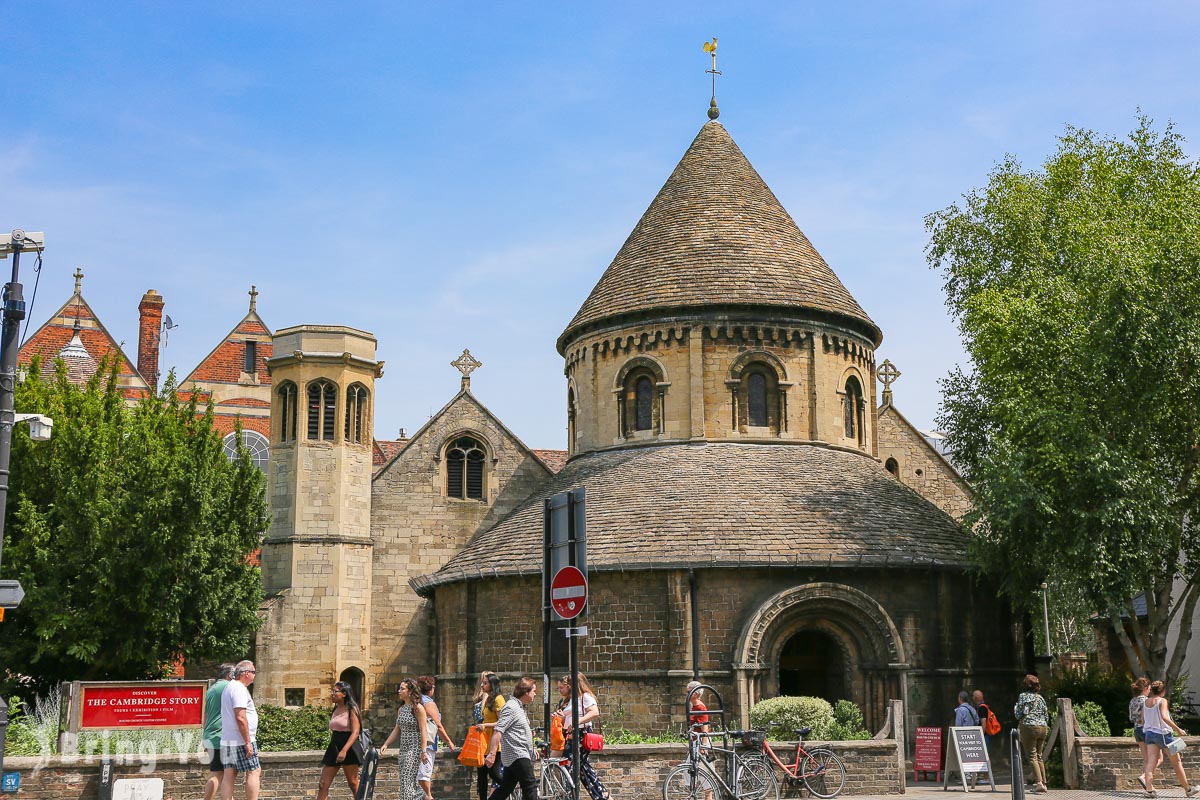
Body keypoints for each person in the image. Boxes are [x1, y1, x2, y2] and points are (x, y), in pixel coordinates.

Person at [554, 673, 612, 800]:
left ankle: (568, 797)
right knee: (583, 768)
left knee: (568, 765)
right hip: (572, 735)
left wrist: (577, 721)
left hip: (580, 734)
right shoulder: (574, 699)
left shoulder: (585, 697)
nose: (567, 688)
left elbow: (595, 712)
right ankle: (602, 796)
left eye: (569, 685)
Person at [1141, 679, 1198, 798]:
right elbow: (1164, 717)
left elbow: (1142, 720)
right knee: (1177, 762)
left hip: (1150, 735)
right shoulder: (1162, 701)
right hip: (1164, 735)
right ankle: (1188, 789)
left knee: (1151, 762)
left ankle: (1149, 790)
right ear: (1163, 691)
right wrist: (1178, 729)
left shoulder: (1146, 702)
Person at [484, 676, 539, 800]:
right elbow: (498, 730)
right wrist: (492, 754)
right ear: (526, 692)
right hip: (517, 754)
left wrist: (532, 747)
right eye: (534, 691)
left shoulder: (519, 707)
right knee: (530, 786)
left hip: (516, 755)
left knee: (505, 788)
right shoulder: (511, 707)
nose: (535, 694)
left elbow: (520, 731)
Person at [381, 679, 429, 800]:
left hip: (414, 749)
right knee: (406, 781)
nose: (399, 691)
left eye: (402, 689)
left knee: (407, 781)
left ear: (410, 691)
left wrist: (423, 751)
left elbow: (424, 730)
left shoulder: (418, 708)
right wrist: (386, 744)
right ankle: (426, 797)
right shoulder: (401, 709)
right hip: (403, 749)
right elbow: (397, 729)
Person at [219, 660, 261, 800]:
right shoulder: (239, 689)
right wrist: (247, 741)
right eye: (254, 672)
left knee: (229, 775)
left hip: (228, 739)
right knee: (254, 771)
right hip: (240, 740)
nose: (254, 676)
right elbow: (240, 717)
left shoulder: (229, 687)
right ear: (246, 673)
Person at [316, 681, 362, 800]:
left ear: (344, 694)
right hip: (334, 745)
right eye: (332, 691)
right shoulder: (336, 708)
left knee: (353, 783)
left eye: (335, 691)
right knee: (323, 784)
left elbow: (356, 732)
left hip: (349, 747)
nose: (332, 694)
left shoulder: (352, 708)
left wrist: (344, 750)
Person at [416, 675, 456, 800]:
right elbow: (438, 726)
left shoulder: (415, 700)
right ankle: (429, 797)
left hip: (415, 742)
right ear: (430, 688)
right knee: (424, 774)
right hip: (427, 743)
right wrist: (449, 742)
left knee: (418, 775)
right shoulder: (428, 703)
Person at [202, 664, 235, 800]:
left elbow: (206, 715)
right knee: (218, 774)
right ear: (229, 675)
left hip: (210, 735)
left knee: (222, 774)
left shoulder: (212, 689)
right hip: (220, 736)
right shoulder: (228, 687)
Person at [1014, 674, 1049, 795]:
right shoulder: (1041, 698)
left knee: (1032, 756)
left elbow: (1018, 715)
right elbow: (1046, 715)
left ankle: (1039, 783)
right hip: (1043, 727)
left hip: (1029, 727)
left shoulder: (1023, 697)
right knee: (1039, 756)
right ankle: (1044, 782)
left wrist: (1015, 709)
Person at [474, 672, 505, 800]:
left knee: (494, 773)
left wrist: (486, 725)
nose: (482, 685)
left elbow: (502, 722)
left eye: (485, 683)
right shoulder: (487, 699)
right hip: (483, 743)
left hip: (494, 743)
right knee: (481, 776)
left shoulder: (499, 699)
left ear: (492, 684)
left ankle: (510, 787)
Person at [1130, 677, 1162, 790]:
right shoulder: (1145, 701)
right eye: (1148, 688)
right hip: (1146, 730)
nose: (1149, 691)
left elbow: (1131, 717)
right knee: (1159, 758)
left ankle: (1149, 785)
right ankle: (1144, 777)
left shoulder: (1133, 700)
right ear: (1146, 688)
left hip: (1136, 730)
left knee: (1147, 759)